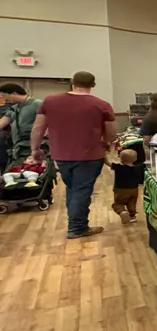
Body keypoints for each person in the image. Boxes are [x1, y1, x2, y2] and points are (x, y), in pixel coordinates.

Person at [29, 71, 116, 239]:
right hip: (90, 155)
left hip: (61, 155)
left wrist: (35, 149)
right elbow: (111, 132)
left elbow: (38, 128)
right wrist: (106, 144)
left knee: (73, 188)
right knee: (81, 190)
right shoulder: (101, 105)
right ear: (93, 85)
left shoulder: (50, 101)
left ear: (72, 82)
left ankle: (75, 223)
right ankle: (77, 227)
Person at [0, 83, 41, 166]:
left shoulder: (37, 104)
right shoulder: (14, 108)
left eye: (5, 95)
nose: (5, 99)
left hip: (33, 147)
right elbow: (2, 122)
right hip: (19, 148)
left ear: (14, 93)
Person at [109, 148, 143, 225]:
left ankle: (122, 212)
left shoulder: (118, 167)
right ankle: (132, 216)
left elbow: (108, 163)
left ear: (121, 159)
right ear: (135, 159)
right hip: (134, 190)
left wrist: (103, 156)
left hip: (120, 190)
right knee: (132, 202)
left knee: (118, 203)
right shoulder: (138, 168)